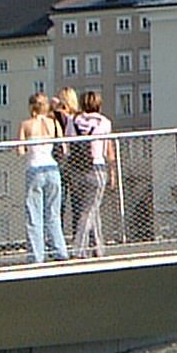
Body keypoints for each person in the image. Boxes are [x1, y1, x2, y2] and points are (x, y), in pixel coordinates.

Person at [17, 93, 69, 262]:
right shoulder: (53, 123)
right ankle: (60, 250)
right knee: (53, 213)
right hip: (52, 168)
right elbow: (64, 148)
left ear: (31, 107)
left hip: (34, 168)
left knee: (34, 214)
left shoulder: (26, 124)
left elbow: (20, 150)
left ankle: (36, 256)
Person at [65, 88, 113, 256]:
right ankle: (78, 249)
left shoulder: (73, 120)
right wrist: (113, 171)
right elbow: (107, 148)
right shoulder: (105, 123)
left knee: (88, 209)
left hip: (77, 169)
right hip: (97, 167)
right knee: (90, 209)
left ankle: (98, 247)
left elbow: (68, 143)